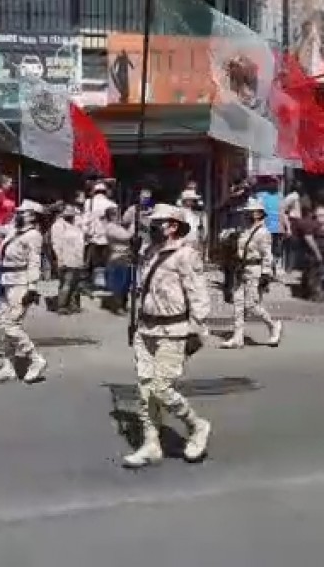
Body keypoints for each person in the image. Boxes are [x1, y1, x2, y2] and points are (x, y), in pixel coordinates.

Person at [123, 204, 212, 468]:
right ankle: (151, 443)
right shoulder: (148, 252)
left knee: (162, 388)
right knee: (145, 389)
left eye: (157, 222)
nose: (151, 227)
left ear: (173, 226)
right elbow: (143, 290)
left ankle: (197, 425)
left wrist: (197, 329)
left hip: (173, 329)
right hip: (146, 327)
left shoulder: (186, 254)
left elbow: (198, 294)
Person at [0, 200, 47, 384]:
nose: (18, 214)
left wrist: (32, 288)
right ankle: (8, 367)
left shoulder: (34, 235)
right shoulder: (14, 229)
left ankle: (36, 359)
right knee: (5, 326)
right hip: (6, 282)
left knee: (11, 324)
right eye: (18, 211)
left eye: (23, 212)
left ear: (32, 216)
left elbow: (35, 262)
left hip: (21, 283)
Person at [219, 198, 283, 349]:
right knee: (238, 303)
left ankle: (274, 326)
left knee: (252, 304)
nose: (246, 214)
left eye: (250, 212)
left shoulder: (263, 232)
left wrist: (266, 275)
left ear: (259, 214)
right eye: (246, 212)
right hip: (241, 268)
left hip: (255, 269)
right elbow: (230, 243)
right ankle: (237, 337)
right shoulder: (243, 230)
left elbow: (267, 255)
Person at [84, 181, 116, 290]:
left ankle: (96, 283)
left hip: (93, 237)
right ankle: (105, 283)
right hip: (108, 237)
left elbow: (86, 220)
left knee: (94, 261)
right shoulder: (112, 204)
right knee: (106, 261)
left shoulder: (89, 202)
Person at [103, 206, 134, 314]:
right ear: (111, 216)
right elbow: (126, 236)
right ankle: (117, 306)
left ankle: (123, 305)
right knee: (118, 284)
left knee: (125, 283)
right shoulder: (111, 227)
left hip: (125, 257)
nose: (119, 217)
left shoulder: (118, 226)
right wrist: (134, 224)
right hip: (117, 258)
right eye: (116, 214)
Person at [256, 177, 283, 275]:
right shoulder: (262, 195)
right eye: (272, 182)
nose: (274, 185)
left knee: (277, 250)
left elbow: (282, 211)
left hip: (277, 227)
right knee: (265, 248)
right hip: (265, 226)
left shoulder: (280, 196)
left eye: (276, 183)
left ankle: (273, 266)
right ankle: (266, 269)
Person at [178, 189, 207, 255]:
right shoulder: (178, 212)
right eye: (191, 199)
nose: (193, 201)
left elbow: (202, 230)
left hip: (194, 242)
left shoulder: (198, 214)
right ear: (185, 200)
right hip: (182, 242)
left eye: (193, 200)